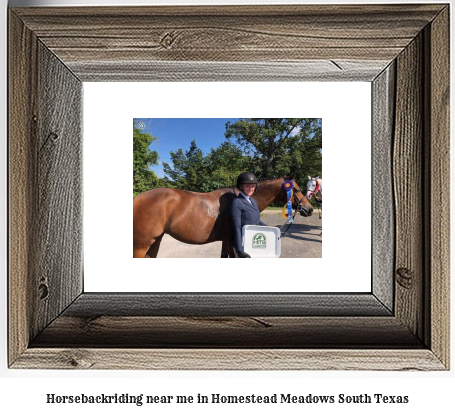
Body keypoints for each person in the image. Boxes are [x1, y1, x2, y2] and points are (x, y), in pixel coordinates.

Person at [231, 172, 267, 258]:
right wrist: (239, 250)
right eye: (247, 186)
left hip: (253, 241)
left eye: (252, 186)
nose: (250, 189)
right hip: (244, 242)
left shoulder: (253, 201)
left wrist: (273, 230)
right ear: (241, 187)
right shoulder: (237, 202)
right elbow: (236, 227)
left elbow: (257, 221)